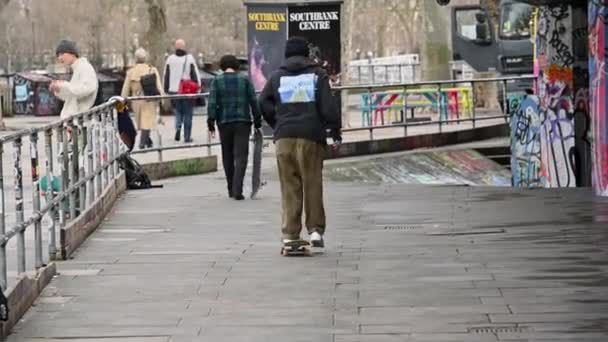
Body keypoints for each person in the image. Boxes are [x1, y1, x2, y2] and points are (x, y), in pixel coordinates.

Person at [258, 36, 341, 248]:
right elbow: (328, 107)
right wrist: (334, 129)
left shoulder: (277, 76)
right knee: (312, 182)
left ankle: (290, 233)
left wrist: (277, 122)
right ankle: (315, 231)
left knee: (289, 186)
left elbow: (263, 101)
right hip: (311, 136)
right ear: (306, 53)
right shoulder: (317, 75)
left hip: (284, 137)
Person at [207, 55, 261, 200]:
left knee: (227, 155)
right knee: (241, 156)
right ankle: (238, 189)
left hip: (224, 122)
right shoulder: (244, 80)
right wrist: (257, 120)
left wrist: (211, 122)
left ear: (222, 66)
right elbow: (253, 101)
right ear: (236, 65)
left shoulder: (217, 81)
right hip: (243, 121)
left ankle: (231, 188)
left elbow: (212, 103)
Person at [121, 48, 165, 149]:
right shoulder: (151, 69)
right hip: (149, 99)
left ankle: (147, 141)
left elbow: (125, 89)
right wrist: (162, 99)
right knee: (147, 121)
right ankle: (142, 142)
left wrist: (122, 102)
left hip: (136, 100)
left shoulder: (131, 72)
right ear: (145, 58)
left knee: (142, 121)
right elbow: (158, 86)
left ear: (135, 58)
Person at [50, 39, 98, 119]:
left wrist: (64, 85)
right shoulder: (78, 68)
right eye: (58, 55)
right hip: (74, 120)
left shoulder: (84, 67)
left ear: (72, 53)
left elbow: (88, 88)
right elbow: (73, 96)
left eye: (62, 54)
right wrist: (58, 89)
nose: (59, 58)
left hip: (78, 120)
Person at [163, 39, 200, 143]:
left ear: (175, 47)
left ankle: (178, 128)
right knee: (188, 113)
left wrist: (166, 89)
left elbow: (166, 75)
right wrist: (198, 88)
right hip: (187, 91)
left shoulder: (170, 59)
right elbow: (194, 74)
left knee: (178, 112)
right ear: (184, 47)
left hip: (174, 91)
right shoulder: (189, 58)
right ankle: (187, 136)